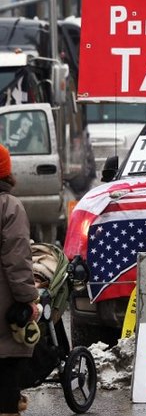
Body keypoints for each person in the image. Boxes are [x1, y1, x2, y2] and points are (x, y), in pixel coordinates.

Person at [0, 143, 40, 416]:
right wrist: (29, 299)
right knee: (5, 375)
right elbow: (17, 261)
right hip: (3, 308)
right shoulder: (9, 207)